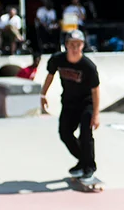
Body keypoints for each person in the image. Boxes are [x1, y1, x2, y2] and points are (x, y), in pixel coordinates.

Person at [41, 30, 101, 179]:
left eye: (78, 45)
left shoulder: (89, 67)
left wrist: (96, 114)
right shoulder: (57, 60)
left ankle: (89, 166)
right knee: (64, 133)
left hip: (87, 104)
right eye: (72, 45)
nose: (75, 48)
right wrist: (43, 94)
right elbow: (50, 76)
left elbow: (95, 90)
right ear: (66, 45)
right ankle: (83, 160)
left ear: (82, 46)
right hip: (68, 103)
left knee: (86, 134)